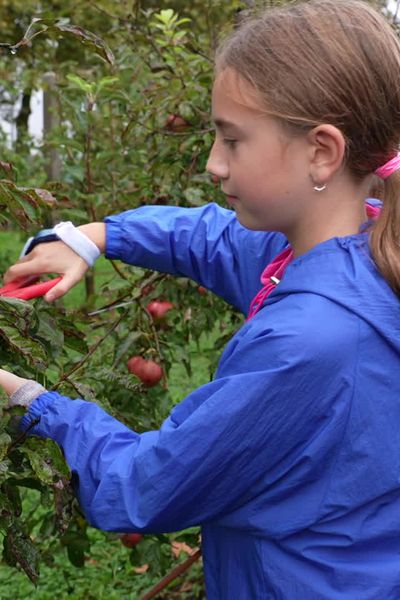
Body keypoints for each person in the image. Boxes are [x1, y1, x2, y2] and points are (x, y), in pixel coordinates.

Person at [1, 0, 400, 597]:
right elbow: (211, 237)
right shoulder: (363, 246)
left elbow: (144, 488)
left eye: (232, 140)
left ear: (321, 151)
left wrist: (31, 400)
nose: (214, 163)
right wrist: (94, 238)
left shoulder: (308, 344)